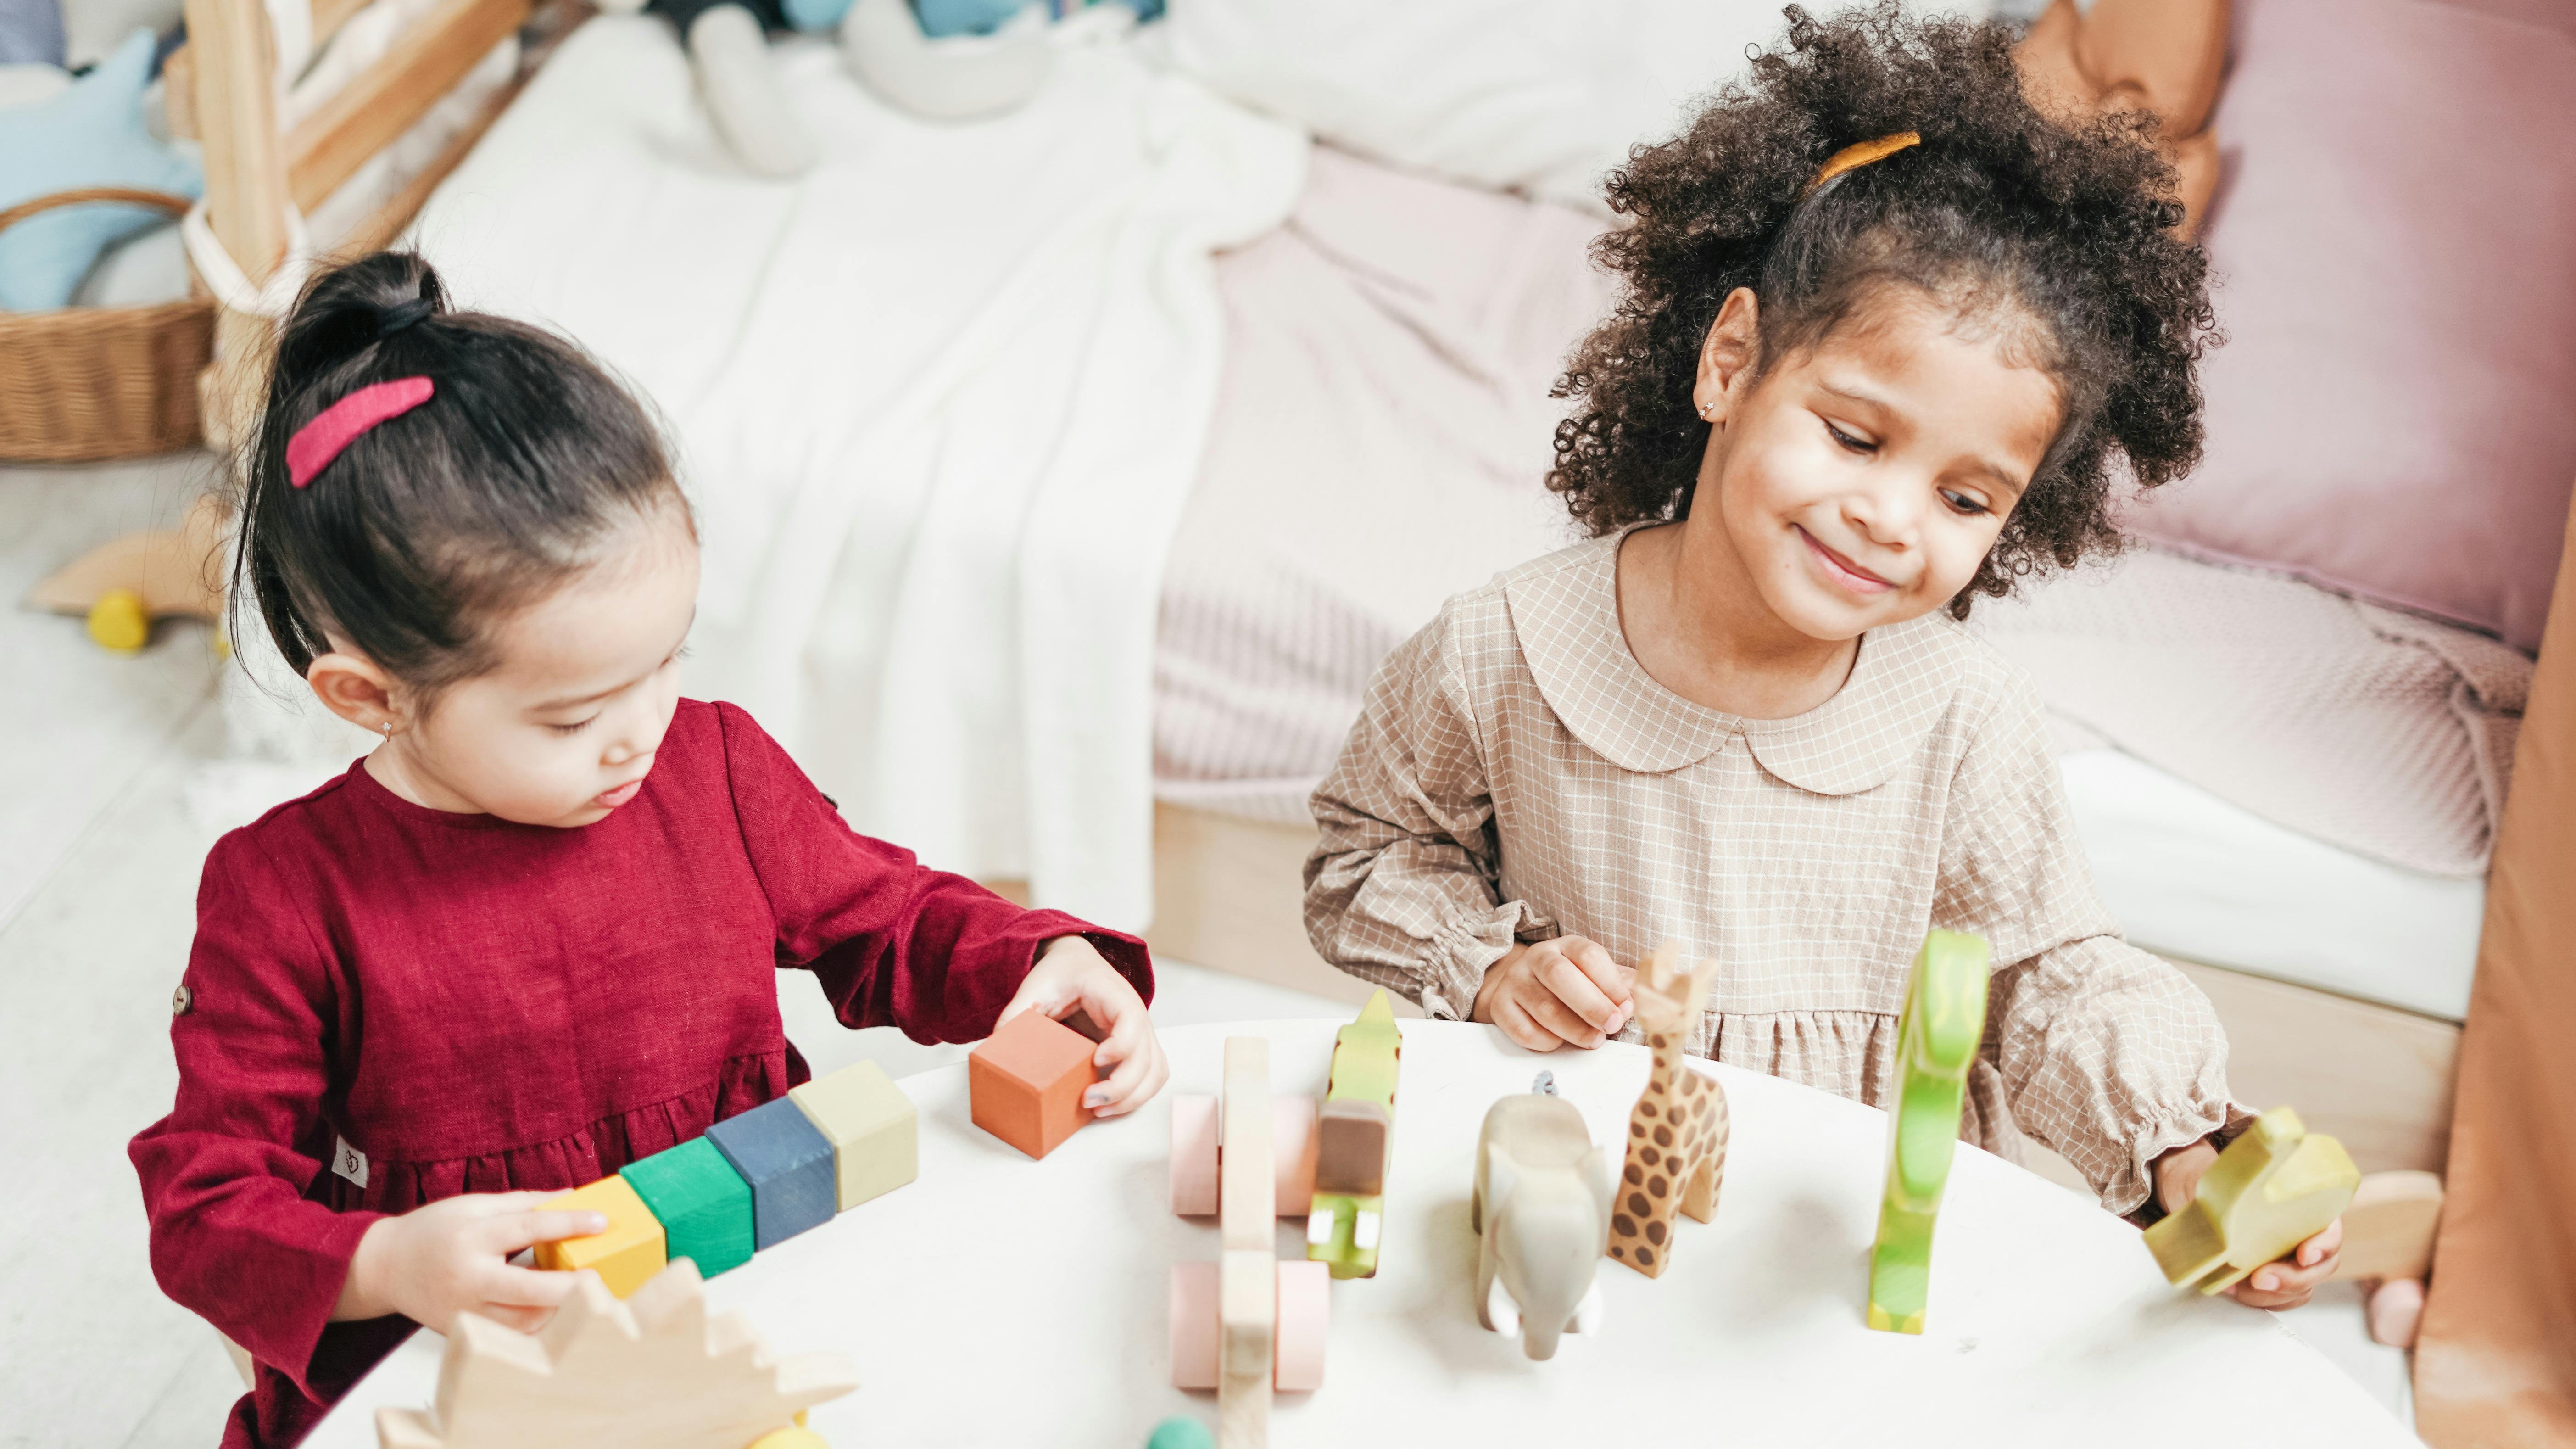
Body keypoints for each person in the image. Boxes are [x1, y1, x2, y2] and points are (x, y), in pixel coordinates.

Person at [1304, 4, 2340, 1307]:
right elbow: (1368, 857)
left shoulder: (1961, 722)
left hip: (1848, 1259)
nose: (1893, 519)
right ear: (1731, 361)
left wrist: (2184, 1145)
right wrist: (1493, 965)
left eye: (1969, 500)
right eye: (1856, 437)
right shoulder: (1504, 647)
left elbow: (2047, 981)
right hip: (1573, 1209)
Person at [129, 252, 1168, 1448]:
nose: (641, 735)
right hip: (470, 1373)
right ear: (367, 697)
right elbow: (205, 1207)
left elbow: (891, 918)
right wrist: (386, 1260)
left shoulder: (714, 767)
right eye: (573, 716)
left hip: (737, 1305)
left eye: (668, 659)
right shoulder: (286, 895)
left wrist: (1038, 961)